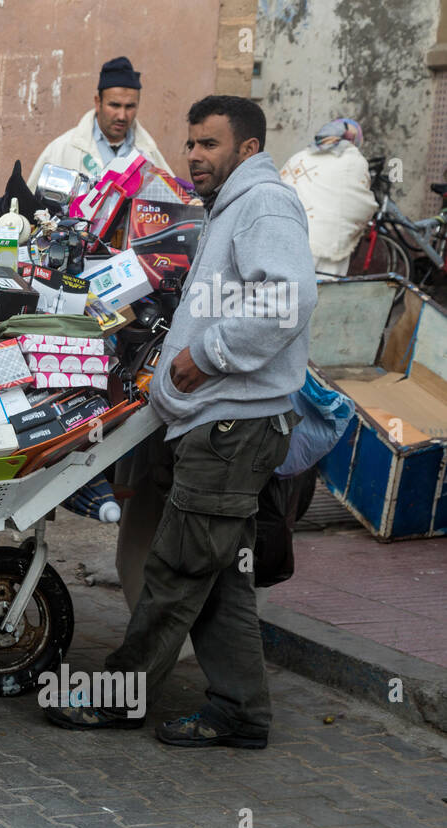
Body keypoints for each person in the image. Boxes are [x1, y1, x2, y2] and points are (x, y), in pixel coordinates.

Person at [46, 96, 315, 749]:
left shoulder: (264, 203)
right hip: (223, 422)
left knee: (176, 569)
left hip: (232, 427)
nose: (194, 155)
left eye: (210, 144)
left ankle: (120, 697)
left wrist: (204, 356)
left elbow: (289, 300)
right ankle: (240, 711)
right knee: (221, 576)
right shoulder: (233, 204)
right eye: (190, 143)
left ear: (247, 149)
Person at [28, 56, 172, 186]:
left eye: (129, 107)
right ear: (98, 103)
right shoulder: (62, 149)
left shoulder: (149, 152)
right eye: (114, 105)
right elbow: (30, 205)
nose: (122, 116)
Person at [279, 118, 377, 276]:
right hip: (324, 244)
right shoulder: (353, 160)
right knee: (322, 293)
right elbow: (360, 205)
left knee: (285, 295)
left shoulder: (298, 157)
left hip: (284, 238)